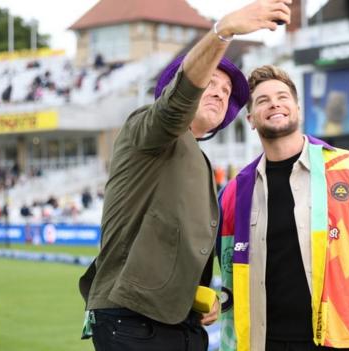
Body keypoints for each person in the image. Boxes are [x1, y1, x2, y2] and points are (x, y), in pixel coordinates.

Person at [77, 1, 291, 350]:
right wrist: (223, 31)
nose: (221, 92)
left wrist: (212, 299)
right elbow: (177, 103)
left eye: (227, 92)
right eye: (212, 82)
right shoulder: (146, 126)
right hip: (134, 320)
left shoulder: (198, 159)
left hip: (179, 324)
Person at [217, 65, 349, 351]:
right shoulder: (235, 190)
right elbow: (226, 270)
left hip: (338, 340)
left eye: (282, 96)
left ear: (298, 108)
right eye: (263, 100)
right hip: (261, 343)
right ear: (251, 120)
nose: (274, 104)